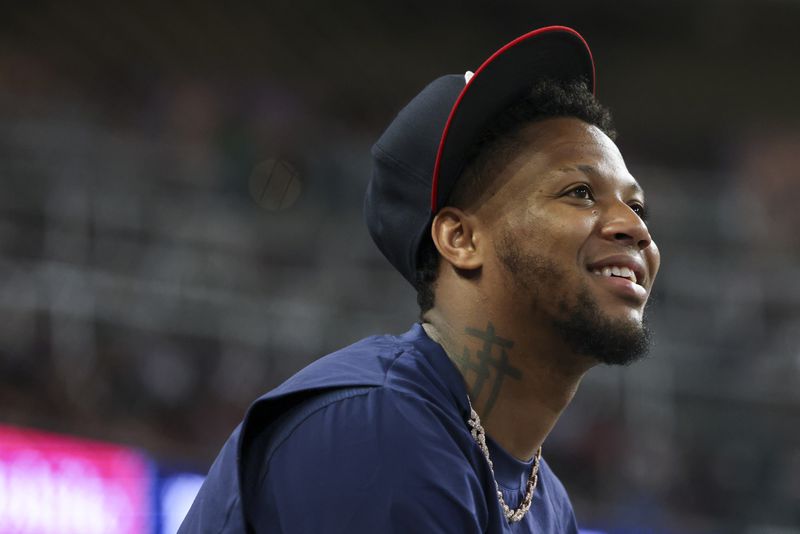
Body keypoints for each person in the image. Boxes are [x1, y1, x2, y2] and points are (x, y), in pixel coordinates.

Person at [179, 25, 660, 533]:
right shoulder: (377, 430)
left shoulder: (546, 503)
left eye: (635, 204)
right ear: (460, 239)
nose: (635, 227)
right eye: (580, 192)